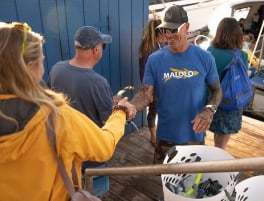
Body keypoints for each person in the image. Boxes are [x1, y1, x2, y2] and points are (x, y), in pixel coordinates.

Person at [0, 22, 136, 201]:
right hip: (87, 162)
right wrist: (120, 112)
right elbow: (104, 143)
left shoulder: (57, 68)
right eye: (41, 62)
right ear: (30, 67)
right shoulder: (58, 117)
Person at [130, 5, 222, 164]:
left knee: (192, 184)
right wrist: (130, 107)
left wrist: (209, 110)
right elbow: (145, 94)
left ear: (186, 27)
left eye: (173, 30)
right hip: (165, 137)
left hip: (195, 137)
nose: (168, 35)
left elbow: (217, 91)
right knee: (164, 183)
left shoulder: (205, 58)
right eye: (165, 30)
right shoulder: (155, 59)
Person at [47, 25, 117, 196]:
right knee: (94, 195)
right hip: (91, 159)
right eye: (102, 46)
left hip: (65, 157)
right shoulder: (98, 83)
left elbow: (50, 100)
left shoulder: (57, 68)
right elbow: (108, 122)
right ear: (96, 50)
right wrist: (119, 108)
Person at [207, 17, 248, 149]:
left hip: (213, 99)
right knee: (222, 142)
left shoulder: (210, 51)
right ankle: (217, 165)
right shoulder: (242, 55)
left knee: (214, 136)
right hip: (232, 100)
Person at [139, 18, 166, 146]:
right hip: (154, 88)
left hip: (165, 86)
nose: (166, 35)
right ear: (158, 33)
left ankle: (159, 134)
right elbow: (144, 72)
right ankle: (153, 136)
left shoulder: (163, 45)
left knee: (160, 110)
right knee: (153, 110)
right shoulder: (148, 48)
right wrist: (148, 92)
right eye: (164, 32)